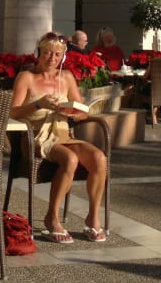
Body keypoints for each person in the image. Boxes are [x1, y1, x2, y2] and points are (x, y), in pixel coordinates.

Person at [10, 32, 109, 244]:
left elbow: (82, 110)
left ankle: (93, 216)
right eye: (47, 53)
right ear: (39, 54)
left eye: (57, 54)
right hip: (36, 137)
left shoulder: (66, 78)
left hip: (64, 135)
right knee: (70, 159)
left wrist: (72, 112)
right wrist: (39, 104)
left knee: (99, 158)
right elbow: (13, 112)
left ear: (63, 57)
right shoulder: (26, 77)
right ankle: (52, 217)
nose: (52, 59)